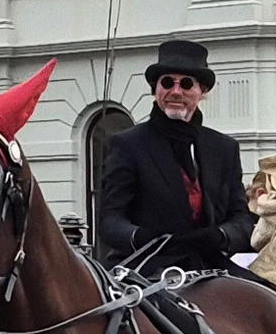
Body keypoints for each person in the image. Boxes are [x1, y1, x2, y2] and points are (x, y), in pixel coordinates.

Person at [92, 39, 251, 275]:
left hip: (209, 267)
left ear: (202, 91)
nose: (176, 91)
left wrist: (220, 235)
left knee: (271, 294)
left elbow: (242, 219)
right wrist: (141, 237)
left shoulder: (224, 148)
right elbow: (110, 221)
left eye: (186, 84)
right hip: (146, 269)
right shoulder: (128, 144)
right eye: (167, 83)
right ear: (155, 89)